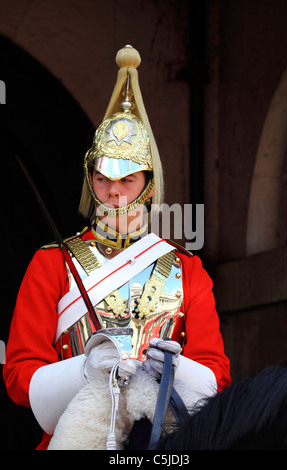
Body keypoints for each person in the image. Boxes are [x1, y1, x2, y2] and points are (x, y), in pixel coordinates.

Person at [3, 45, 230, 450]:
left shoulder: (186, 268)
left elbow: (216, 373)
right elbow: (20, 373)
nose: (114, 192)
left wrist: (175, 370)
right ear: (91, 180)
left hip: (163, 437)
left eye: (127, 179)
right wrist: (83, 370)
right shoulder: (52, 262)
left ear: (149, 185)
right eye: (104, 178)